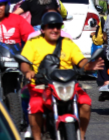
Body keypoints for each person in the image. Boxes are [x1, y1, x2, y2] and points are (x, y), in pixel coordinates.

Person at [20, 12, 103, 140]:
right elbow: (24, 62)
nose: (54, 30)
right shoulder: (33, 43)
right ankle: (37, 137)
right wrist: (28, 72)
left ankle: (80, 135)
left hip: (68, 86)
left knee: (86, 102)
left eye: (57, 26)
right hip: (41, 86)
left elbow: (81, 61)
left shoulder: (68, 43)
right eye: (50, 26)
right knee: (35, 104)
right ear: (43, 29)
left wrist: (89, 66)